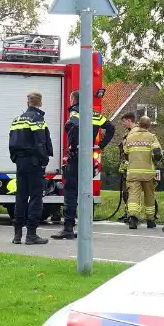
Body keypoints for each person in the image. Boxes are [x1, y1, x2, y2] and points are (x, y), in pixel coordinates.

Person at [53, 92, 115, 240]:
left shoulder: (76, 111)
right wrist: (100, 145)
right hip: (88, 156)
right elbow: (111, 128)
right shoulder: (95, 113)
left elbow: (73, 125)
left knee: (70, 191)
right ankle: (85, 226)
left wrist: (73, 146)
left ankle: (68, 227)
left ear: (73, 99)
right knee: (86, 191)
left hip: (76, 156)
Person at [8, 91, 54, 245]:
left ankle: (17, 235)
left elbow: (11, 142)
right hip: (34, 162)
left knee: (20, 197)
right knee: (36, 198)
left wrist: (16, 159)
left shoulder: (17, 119)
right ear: (40, 103)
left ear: (28, 102)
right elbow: (40, 142)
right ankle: (31, 235)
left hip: (20, 162)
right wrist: (44, 160)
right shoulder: (38, 119)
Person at [123, 116, 162, 229]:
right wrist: (154, 161)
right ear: (149, 126)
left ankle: (133, 218)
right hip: (148, 173)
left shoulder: (130, 137)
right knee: (149, 196)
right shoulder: (151, 137)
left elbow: (126, 153)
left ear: (138, 124)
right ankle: (150, 220)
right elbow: (158, 153)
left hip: (133, 172)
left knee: (134, 196)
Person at [116, 112, 137, 223]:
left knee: (131, 192)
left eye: (124, 122)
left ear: (129, 120)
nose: (123, 124)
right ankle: (127, 212)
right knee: (125, 192)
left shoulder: (134, 134)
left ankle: (132, 214)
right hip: (127, 167)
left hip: (133, 168)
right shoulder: (128, 133)